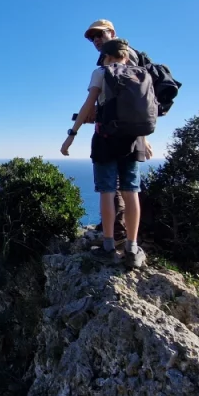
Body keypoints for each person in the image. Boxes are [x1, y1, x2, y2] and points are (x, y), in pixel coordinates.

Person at [61, 37, 150, 268]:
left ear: (107, 56)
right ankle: (132, 248)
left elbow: (88, 104)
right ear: (126, 55)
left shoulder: (101, 72)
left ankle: (109, 246)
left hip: (105, 140)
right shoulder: (140, 74)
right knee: (131, 192)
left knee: (107, 192)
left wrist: (71, 134)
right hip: (133, 141)